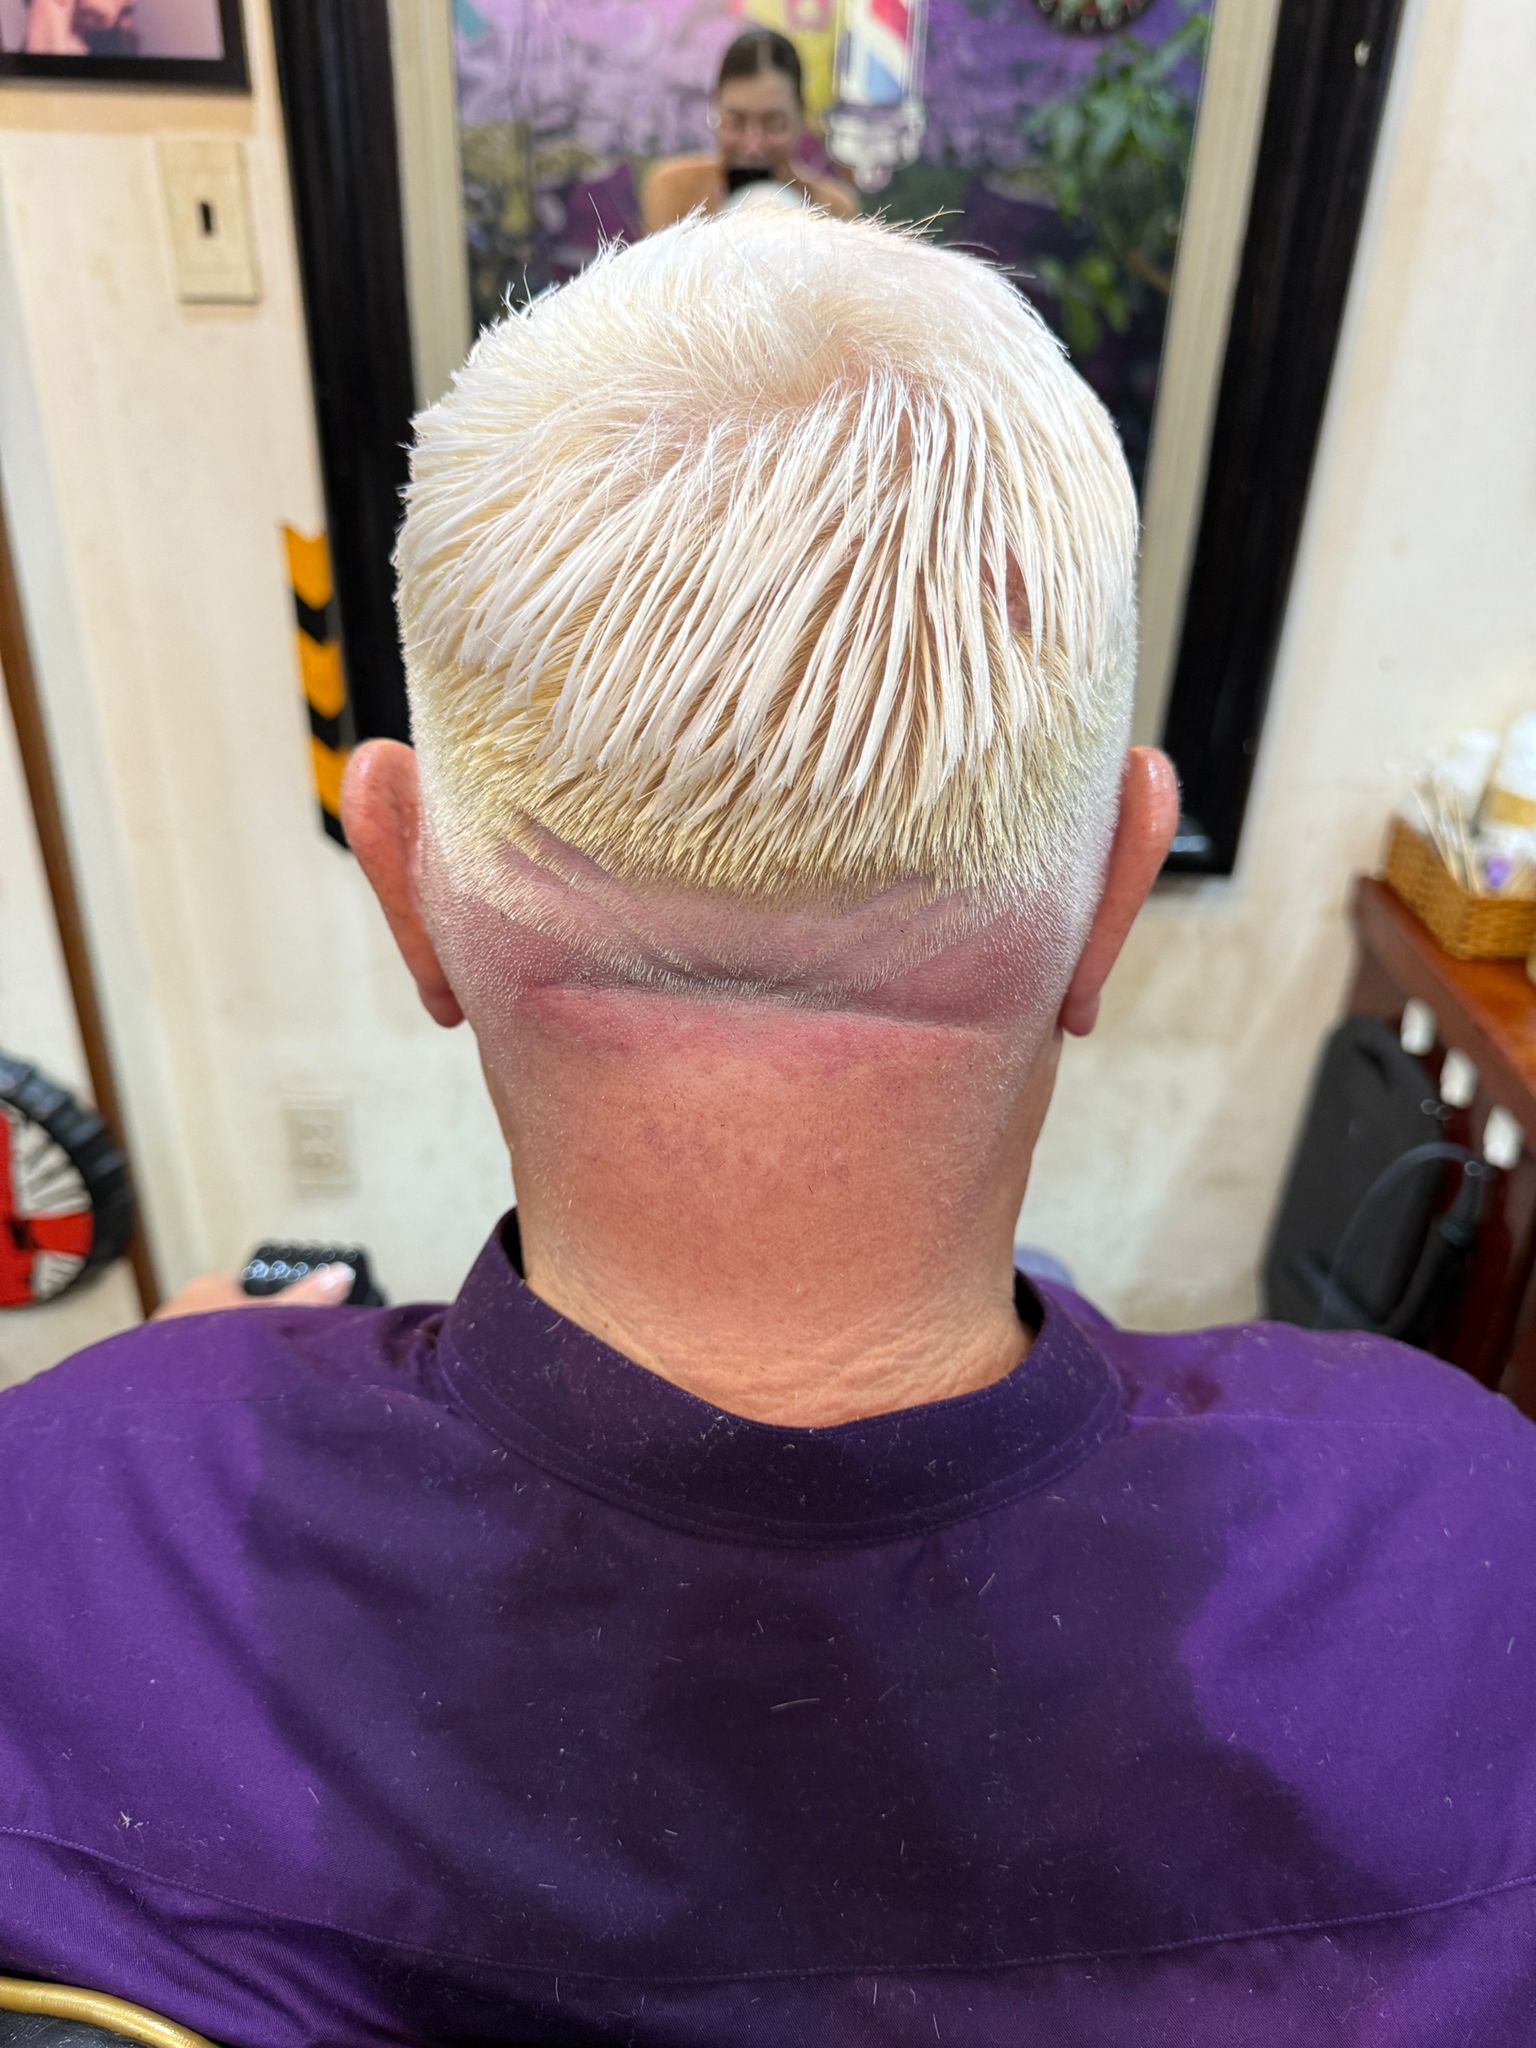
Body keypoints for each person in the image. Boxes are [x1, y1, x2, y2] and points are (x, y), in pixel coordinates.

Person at [2, 209, 1535, 2047]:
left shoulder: (68, 1540)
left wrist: (150, 1446)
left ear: (401, 879)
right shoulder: (1464, 1558)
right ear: (1118, 890)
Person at [642, 26, 856, 232]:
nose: (753, 146)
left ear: (801, 115)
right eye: (736, 122)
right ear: (716, 108)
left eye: (774, 125)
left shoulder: (830, 210)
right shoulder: (678, 190)